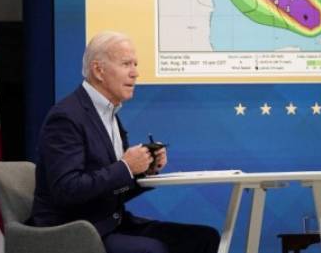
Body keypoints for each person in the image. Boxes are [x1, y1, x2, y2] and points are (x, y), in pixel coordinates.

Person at [30, 31, 220, 253]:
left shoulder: (110, 114)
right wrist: (126, 167)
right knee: (152, 250)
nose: (135, 73)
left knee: (204, 238)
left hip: (111, 222)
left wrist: (144, 171)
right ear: (98, 70)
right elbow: (67, 189)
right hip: (74, 231)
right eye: (126, 64)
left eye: (135, 64)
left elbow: (112, 189)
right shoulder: (66, 117)